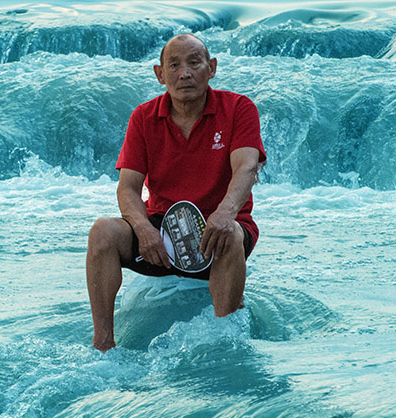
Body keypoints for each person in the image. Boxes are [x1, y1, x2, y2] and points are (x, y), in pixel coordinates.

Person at [86, 33, 266, 352]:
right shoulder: (143, 117)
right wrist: (143, 229)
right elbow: (128, 188)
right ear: (160, 74)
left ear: (211, 68)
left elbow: (247, 168)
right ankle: (103, 345)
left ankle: (225, 344)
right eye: (174, 65)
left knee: (231, 233)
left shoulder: (239, 108)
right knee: (102, 232)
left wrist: (224, 214)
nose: (185, 73)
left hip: (222, 229)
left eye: (195, 63)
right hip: (161, 232)